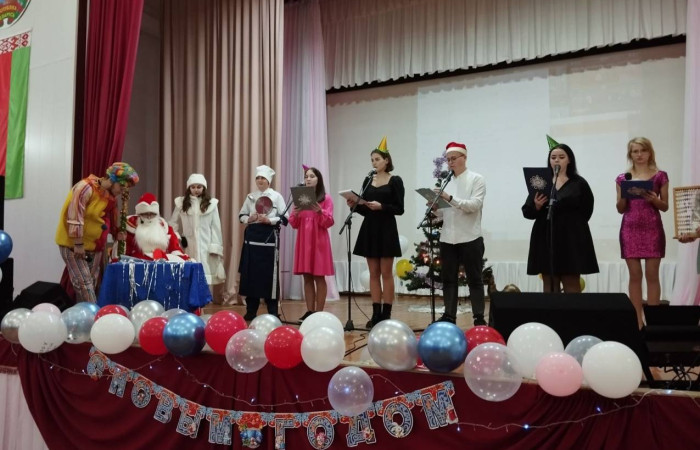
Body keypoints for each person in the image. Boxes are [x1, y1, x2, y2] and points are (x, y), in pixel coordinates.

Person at [55, 162, 139, 303]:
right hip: (73, 244)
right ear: (112, 180)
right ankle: (95, 314)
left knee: (92, 283)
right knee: (84, 284)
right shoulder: (85, 188)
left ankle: (84, 313)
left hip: (95, 246)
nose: (122, 191)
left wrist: (116, 232)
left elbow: (110, 217)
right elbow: (74, 215)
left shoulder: (110, 197)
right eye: (121, 187)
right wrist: (78, 243)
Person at [522, 143, 599, 293]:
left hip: (571, 238)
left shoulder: (579, 183)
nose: (557, 160)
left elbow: (587, 210)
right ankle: (550, 310)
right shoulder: (541, 182)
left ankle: (573, 310)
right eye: (553, 157)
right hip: (546, 237)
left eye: (561, 157)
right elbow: (527, 212)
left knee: (571, 282)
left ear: (569, 160)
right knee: (550, 284)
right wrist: (537, 206)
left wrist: (572, 223)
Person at [346, 137, 405, 328]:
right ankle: (375, 313)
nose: (374, 162)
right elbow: (366, 210)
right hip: (370, 229)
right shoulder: (367, 180)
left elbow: (399, 209)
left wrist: (382, 206)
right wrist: (355, 206)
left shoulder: (395, 180)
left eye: (377, 159)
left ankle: (386, 314)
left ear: (386, 160)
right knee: (373, 273)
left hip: (386, 228)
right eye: (372, 160)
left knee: (386, 273)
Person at [615, 137, 669, 328]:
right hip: (630, 228)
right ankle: (637, 322)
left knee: (652, 275)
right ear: (630, 154)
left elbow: (665, 206)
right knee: (635, 275)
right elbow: (620, 209)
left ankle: (653, 323)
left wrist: (654, 199)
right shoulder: (623, 178)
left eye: (643, 150)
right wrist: (625, 195)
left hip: (652, 228)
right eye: (635, 151)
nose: (639, 155)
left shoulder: (660, 176)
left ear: (649, 152)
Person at [432, 142, 487, 325]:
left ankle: (479, 317)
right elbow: (445, 213)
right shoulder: (446, 181)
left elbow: (474, 206)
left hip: (470, 236)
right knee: (448, 280)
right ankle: (449, 315)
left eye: (453, 158)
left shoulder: (476, 179)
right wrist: (435, 208)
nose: (450, 162)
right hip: (448, 238)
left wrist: (449, 198)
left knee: (475, 279)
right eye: (448, 159)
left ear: (464, 157)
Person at [238, 165, 288, 320]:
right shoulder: (250, 197)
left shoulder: (277, 196)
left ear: (269, 181)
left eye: (263, 178)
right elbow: (241, 216)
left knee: (269, 276)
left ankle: (272, 310)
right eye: (258, 178)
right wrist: (250, 218)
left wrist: (269, 220)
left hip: (269, 239)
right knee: (251, 274)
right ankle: (251, 310)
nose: (260, 180)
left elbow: (285, 218)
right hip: (252, 239)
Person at [289, 166, 335, 322]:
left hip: (319, 242)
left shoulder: (326, 199)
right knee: (307, 277)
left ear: (318, 179)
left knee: (319, 277)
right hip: (304, 241)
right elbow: (294, 224)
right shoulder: (301, 199)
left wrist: (320, 211)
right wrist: (295, 214)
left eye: (312, 176)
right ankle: (310, 311)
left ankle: (319, 312)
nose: (308, 179)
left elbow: (329, 222)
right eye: (306, 176)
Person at [169, 174, 226, 291]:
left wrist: (215, 246)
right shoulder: (181, 203)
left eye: (199, 187)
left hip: (206, 245)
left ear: (203, 188)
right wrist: (178, 238)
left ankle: (204, 300)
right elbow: (173, 224)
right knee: (189, 276)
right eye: (193, 187)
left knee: (204, 275)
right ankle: (191, 300)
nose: (196, 190)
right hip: (188, 245)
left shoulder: (211, 204)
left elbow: (216, 227)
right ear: (189, 188)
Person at [120, 192, 189, 261]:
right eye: (145, 214)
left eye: (152, 214)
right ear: (139, 214)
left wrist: (184, 258)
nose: (149, 217)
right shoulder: (130, 228)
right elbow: (124, 254)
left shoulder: (165, 228)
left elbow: (175, 249)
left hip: (161, 263)